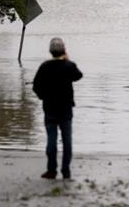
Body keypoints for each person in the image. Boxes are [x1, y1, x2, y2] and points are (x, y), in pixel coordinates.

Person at [33, 38, 83, 179]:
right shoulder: (69, 66)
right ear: (63, 50)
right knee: (67, 141)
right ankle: (65, 170)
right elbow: (78, 76)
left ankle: (51, 170)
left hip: (49, 107)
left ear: (50, 51)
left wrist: (43, 97)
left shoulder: (45, 66)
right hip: (66, 108)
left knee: (51, 139)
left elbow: (36, 86)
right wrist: (67, 59)